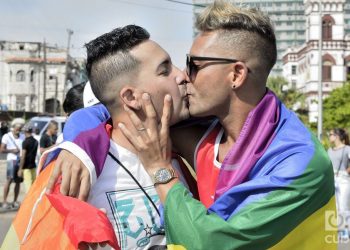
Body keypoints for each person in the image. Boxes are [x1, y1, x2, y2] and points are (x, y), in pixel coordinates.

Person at [47, 1, 337, 249]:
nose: (184, 76)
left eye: (194, 65)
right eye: (174, 67)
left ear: (236, 74)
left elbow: (213, 242)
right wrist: (77, 144)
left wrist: (160, 170)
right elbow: (115, 106)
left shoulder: (300, 162)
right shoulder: (208, 129)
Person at [2, 25, 196, 250]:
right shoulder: (70, 173)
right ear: (131, 97)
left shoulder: (188, 150)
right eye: (164, 70)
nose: (182, 75)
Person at [328, 128, 350, 232]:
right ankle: (335, 231)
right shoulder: (329, 150)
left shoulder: (347, 149)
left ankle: (345, 231)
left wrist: (346, 171)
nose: (329, 136)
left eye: (331, 134)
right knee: (333, 205)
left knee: (343, 205)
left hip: (343, 179)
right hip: (331, 180)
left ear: (337, 136)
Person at [0, 120, 24, 210]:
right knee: (9, 180)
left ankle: (15, 201)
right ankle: (5, 201)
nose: (19, 130)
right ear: (13, 128)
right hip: (11, 160)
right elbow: (1, 149)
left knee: (18, 181)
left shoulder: (22, 136)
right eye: (17, 129)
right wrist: (12, 150)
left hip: (20, 161)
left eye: (20, 129)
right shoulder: (7, 136)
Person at [18, 126, 39, 193]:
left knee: (28, 188)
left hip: (26, 167)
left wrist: (20, 169)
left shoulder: (25, 142)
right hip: (33, 165)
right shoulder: (35, 141)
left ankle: (29, 203)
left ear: (25, 132)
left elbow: (23, 156)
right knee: (34, 186)